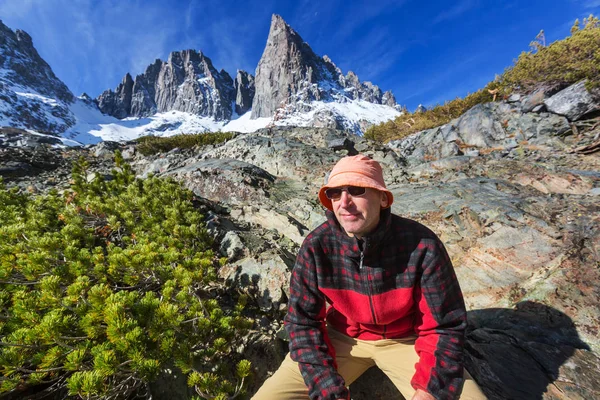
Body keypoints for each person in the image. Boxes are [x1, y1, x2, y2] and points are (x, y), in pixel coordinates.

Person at [252, 155, 485, 400]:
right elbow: (302, 323)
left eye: (356, 190)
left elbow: (445, 326)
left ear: (383, 198)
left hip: (407, 340)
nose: (344, 202)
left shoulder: (421, 244)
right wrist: (328, 390)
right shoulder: (317, 246)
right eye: (334, 193)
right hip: (342, 338)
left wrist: (429, 391)